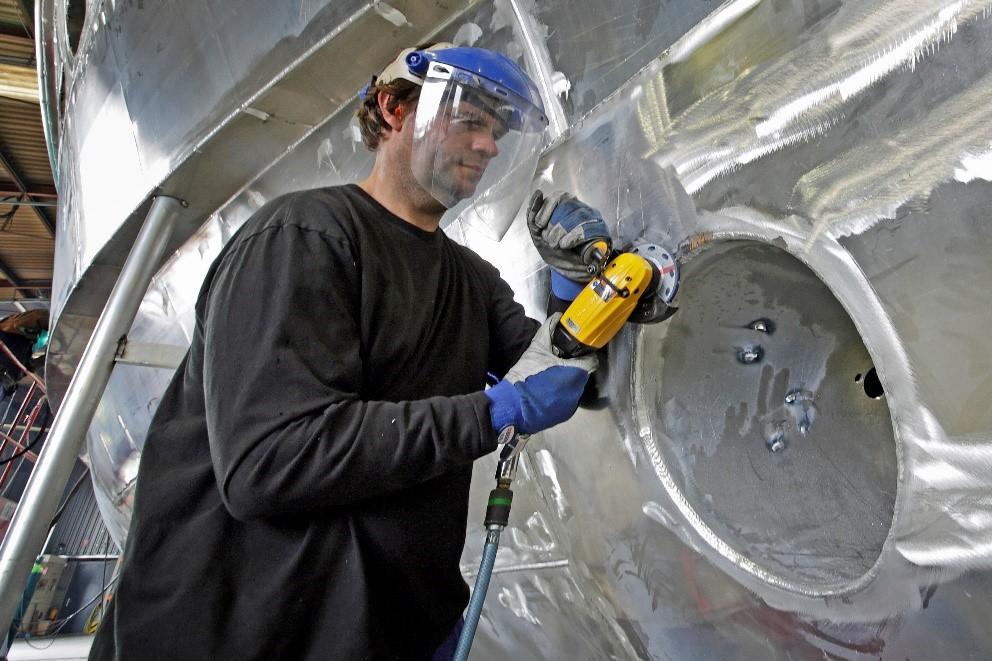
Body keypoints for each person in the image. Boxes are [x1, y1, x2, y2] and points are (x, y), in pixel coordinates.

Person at [88, 43, 610, 661]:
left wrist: (581, 289)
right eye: (470, 121)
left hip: (396, 633)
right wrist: (487, 414)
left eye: (496, 132)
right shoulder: (301, 237)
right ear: (393, 108)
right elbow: (268, 461)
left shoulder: (471, 280)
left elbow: (559, 380)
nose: (489, 146)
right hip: (249, 636)